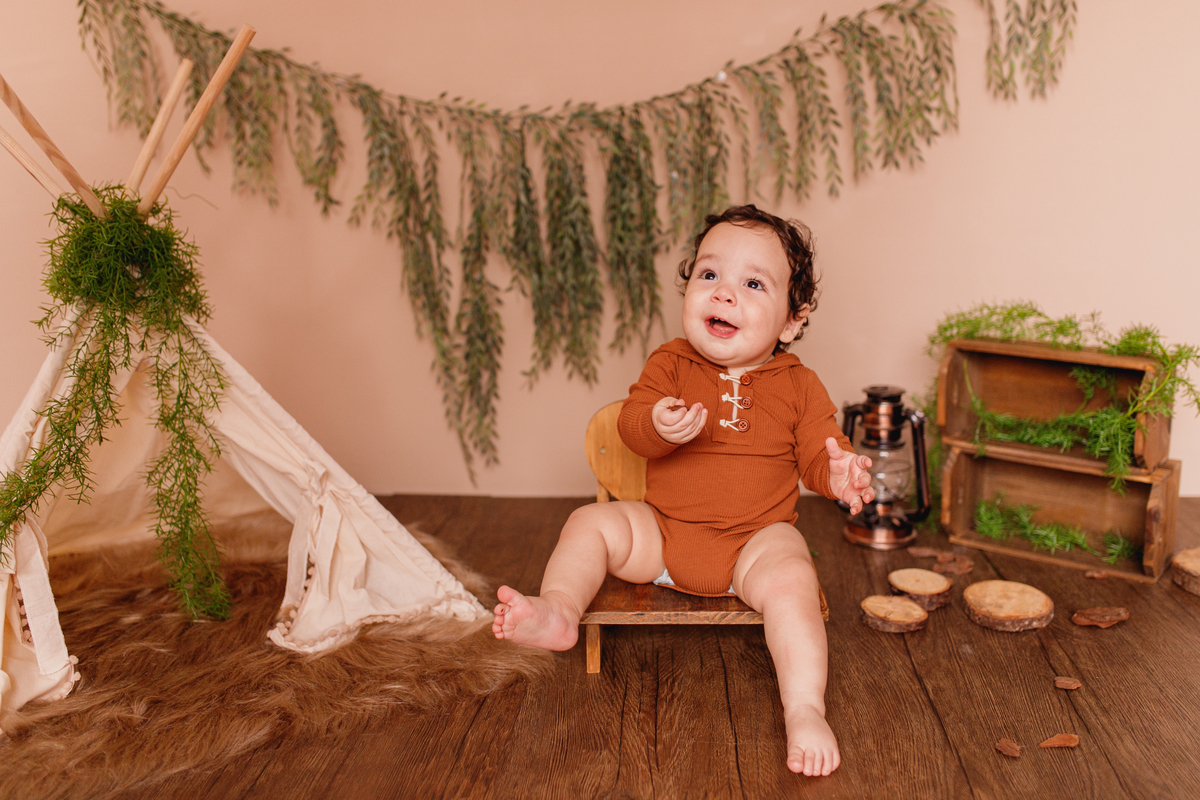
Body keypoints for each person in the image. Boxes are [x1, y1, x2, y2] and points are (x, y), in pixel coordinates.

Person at [492, 204, 874, 777]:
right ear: (689, 286)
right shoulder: (671, 362)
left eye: (752, 283)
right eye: (709, 275)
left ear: (792, 320)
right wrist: (655, 425)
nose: (723, 294)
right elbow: (632, 425)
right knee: (590, 523)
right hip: (664, 536)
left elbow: (820, 452)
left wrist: (837, 474)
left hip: (752, 547)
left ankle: (804, 707)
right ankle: (559, 611)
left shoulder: (799, 386)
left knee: (794, 577)